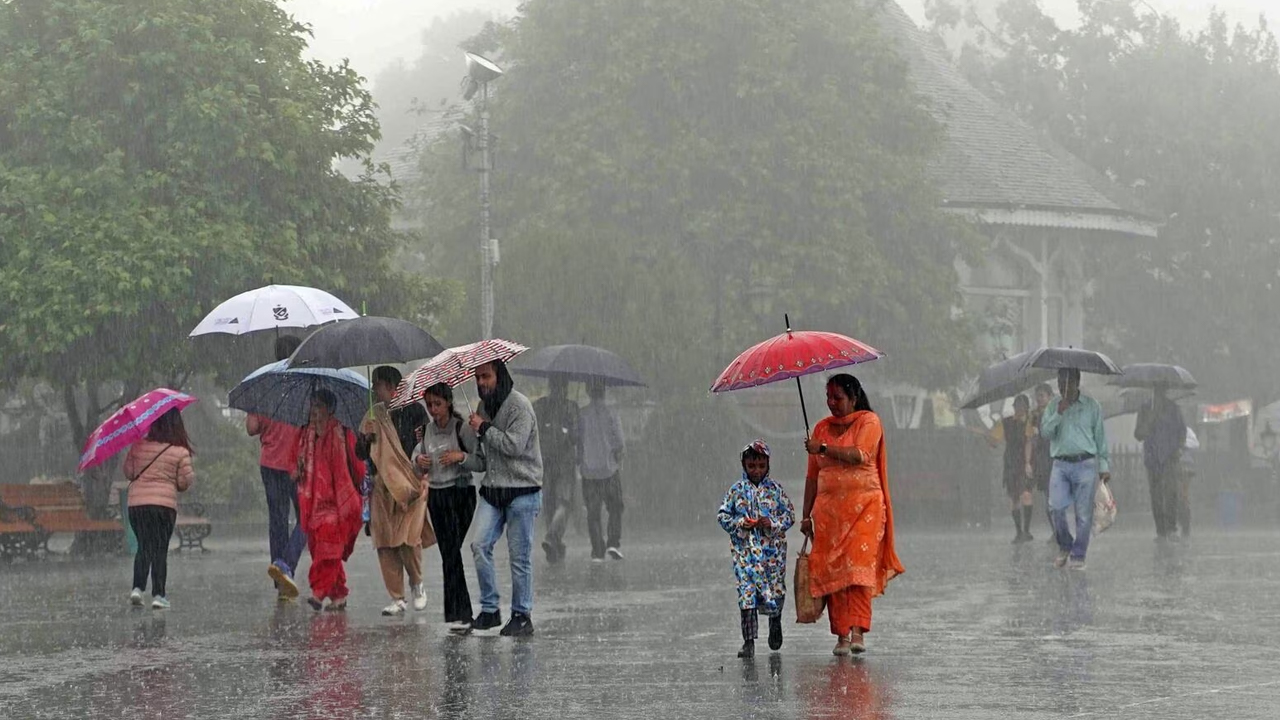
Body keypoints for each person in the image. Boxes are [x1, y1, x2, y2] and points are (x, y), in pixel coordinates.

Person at [801, 374, 904, 656]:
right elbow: (812, 476)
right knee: (833, 570)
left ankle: (858, 631)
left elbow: (860, 455)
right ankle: (841, 635)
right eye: (828, 398)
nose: (832, 403)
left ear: (854, 397)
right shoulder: (820, 428)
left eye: (838, 398)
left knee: (858, 570)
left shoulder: (869, 421)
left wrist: (822, 448)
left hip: (865, 509)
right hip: (829, 514)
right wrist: (805, 515)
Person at [460, 360, 543, 636]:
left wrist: (484, 429)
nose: (481, 383)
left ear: (500, 376)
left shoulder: (519, 406)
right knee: (479, 545)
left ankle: (521, 615)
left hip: (522, 490)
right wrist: (463, 457)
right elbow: (484, 461)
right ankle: (490, 609)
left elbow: (513, 446)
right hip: (493, 491)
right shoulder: (483, 408)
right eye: (478, 378)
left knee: (519, 557)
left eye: (486, 376)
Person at [358, 370, 432, 617]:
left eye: (376, 385)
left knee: (408, 539)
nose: (374, 390)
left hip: (411, 483)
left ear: (391, 387)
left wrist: (421, 464)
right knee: (385, 542)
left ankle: (417, 583)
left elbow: (426, 443)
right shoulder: (373, 415)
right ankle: (397, 597)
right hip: (381, 486)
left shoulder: (414, 411)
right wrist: (364, 438)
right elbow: (361, 453)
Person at [717, 439, 795, 659]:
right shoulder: (736, 491)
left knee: (776, 590)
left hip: (773, 555)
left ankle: (775, 621)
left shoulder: (776, 490)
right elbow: (722, 515)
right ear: (744, 465)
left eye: (761, 466)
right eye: (752, 466)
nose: (756, 471)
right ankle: (748, 641)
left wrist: (771, 523)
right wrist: (740, 524)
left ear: (768, 465)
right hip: (746, 555)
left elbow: (789, 516)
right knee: (747, 595)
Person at [412, 382, 479, 631]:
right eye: (429, 405)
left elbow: (479, 461)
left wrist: (459, 457)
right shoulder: (426, 431)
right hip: (437, 497)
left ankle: (460, 613)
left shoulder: (461, 428)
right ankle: (458, 614)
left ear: (448, 403)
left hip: (460, 494)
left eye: (437, 404)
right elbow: (416, 461)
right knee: (449, 554)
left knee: (451, 552)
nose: (433, 409)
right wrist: (419, 461)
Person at [294, 389, 365, 611]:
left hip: (337, 503)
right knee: (319, 549)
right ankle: (339, 594)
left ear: (330, 409)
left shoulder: (342, 434)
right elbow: (295, 464)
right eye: (312, 406)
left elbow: (358, 467)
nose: (315, 411)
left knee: (329, 550)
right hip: (313, 503)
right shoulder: (306, 435)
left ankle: (318, 592)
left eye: (319, 406)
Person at [247, 334, 306, 600]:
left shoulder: (264, 384)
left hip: (269, 464)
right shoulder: (304, 384)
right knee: (307, 518)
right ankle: (287, 566)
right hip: (298, 464)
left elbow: (251, 428)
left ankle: (280, 576)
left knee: (277, 521)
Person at [124, 408, 196, 610]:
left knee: (143, 546)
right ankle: (158, 594)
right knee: (159, 549)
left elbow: (129, 472)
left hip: (137, 506)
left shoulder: (138, 446)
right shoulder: (179, 452)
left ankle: (137, 588)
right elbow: (183, 483)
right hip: (163, 507)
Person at [1039, 368, 1110, 570]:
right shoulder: (1053, 405)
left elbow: (1100, 438)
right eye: (1060, 384)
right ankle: (1065, 545)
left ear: (1077, 383)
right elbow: (1045, 432)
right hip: (1060, 464)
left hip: (1085, 464)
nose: (1064, 388)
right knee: (1056, 508)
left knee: (1083, 514)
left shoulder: (1091, 406)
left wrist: (1104, 466)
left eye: (1068, 383)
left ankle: (1079, 554)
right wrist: (1058, 413)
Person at [533, 376, 579, 563]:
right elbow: (576, 436)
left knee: (550, 502)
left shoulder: (539, 406)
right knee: (565, 502)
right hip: (565, 462)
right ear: (566, 388)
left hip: (545, 461)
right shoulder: (571, 407)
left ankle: (556, 544)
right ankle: (553, 537)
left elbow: (533, 432)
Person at [579, 379, 626, 561]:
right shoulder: (612, 413)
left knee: (593, 512)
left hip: (589, 471)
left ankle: (597, 550)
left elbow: (578, 440)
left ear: (589, 392)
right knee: (615, 507)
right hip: (609, 470)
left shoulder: (582, 414)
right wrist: (617, 454)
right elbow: (620, 442)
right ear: (604, 392)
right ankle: (613, 542)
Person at [1134, 386, 1187, 540]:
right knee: (1156, 495)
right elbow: (1138, 434)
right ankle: (1161, 530)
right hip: (1152, 458)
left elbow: (1181, 431)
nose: (1159, 394)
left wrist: (1179, 447)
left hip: (1170, 457)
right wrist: (1149, 421)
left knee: (1171, 492)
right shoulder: (1145, 409)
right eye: (1156, 391)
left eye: (1161, 391)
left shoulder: (1173, 409)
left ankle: (1171, 527)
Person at [988, 394, 1035, 543]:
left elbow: (1029, 441)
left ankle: (1027, 530)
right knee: (1014, 497)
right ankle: (1019, 532)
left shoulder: (1030, 422)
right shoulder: (1005, 422)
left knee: (1026, 494)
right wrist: (990, 436)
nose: (1019, 409)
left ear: (1027, 408)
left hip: (1025, 461)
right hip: (1010, 462)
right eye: (1017, 406)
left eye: (1022, 406)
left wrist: (1028, 463)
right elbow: (994, 442)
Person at [1028, 383, 1056, 538]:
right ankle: (1055, 530)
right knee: (1047, 496)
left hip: (1055, 456)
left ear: (1049, 397)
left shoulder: (1056, 414)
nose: (1039, 399)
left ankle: (1060, 529)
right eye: (1037, 396)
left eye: (1042, 396)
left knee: (1055, 495)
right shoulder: (1034, 416)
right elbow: (1031, 439)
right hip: (1042, 458)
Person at [1178, 427, 1198, 538]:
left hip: (1185, 465)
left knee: (1183, 495)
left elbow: (1195, 443)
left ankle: (1185, 525)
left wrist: (1182, 443)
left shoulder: (1186, 430)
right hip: (1171, 465)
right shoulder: (1165, 429)